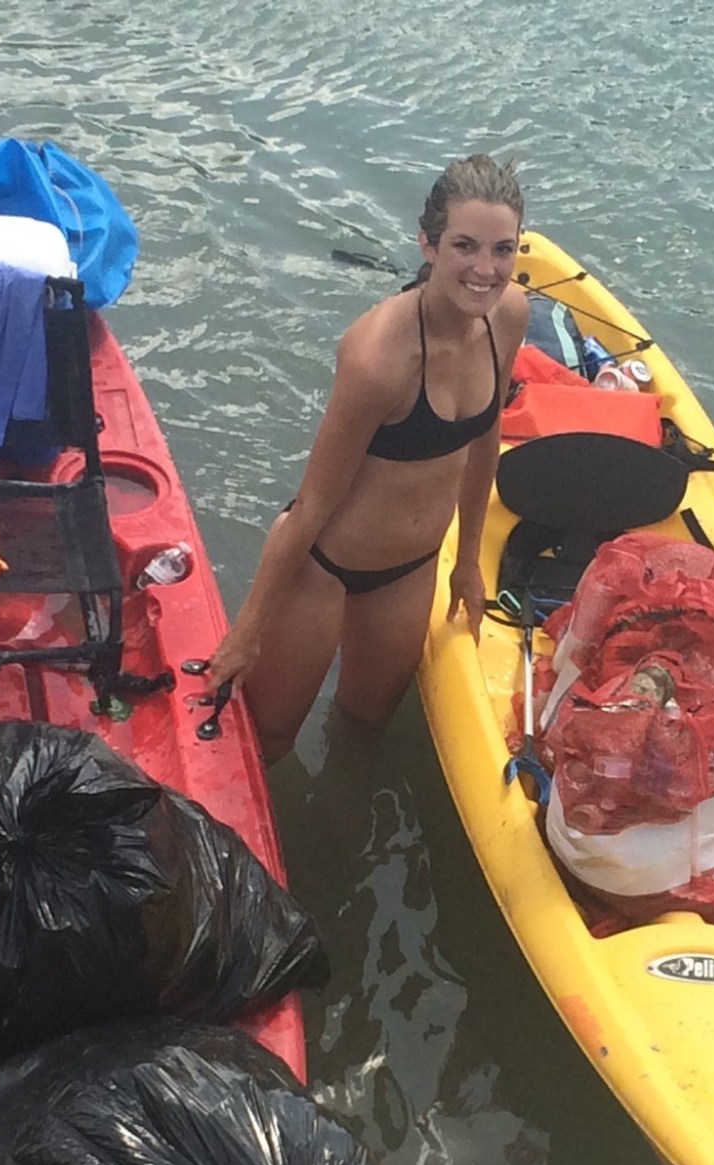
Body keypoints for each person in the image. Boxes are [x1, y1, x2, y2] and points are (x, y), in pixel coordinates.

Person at [205, 155, 530, 763]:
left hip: (411, 568)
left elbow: (486, 439)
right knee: (269, 739)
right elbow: (309, 506)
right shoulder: (379, 357)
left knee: (366, 724)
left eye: (502, 250)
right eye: (465, 246)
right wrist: (246, 632)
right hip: (324, 566)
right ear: (428, 245)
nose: (485, 270)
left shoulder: (508, 317)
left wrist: (468, 562)